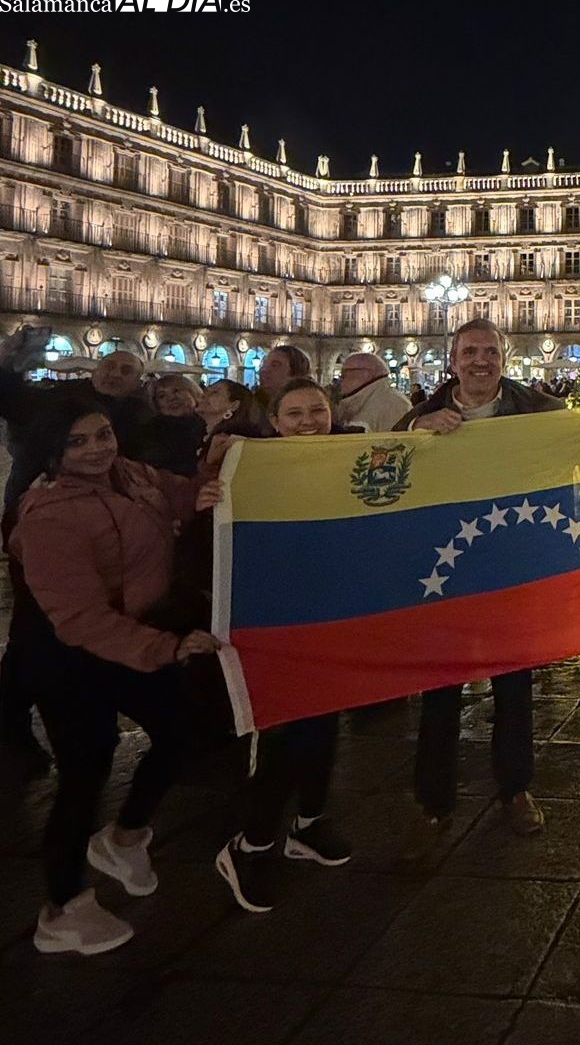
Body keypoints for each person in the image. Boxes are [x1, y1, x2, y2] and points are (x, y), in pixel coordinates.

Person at [9, 399, 221, 954]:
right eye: (78, 442)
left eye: (102, 434)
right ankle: (63, 907)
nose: (97, 448)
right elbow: (80, 618)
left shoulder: (130, 474)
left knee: (179, 731)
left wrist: (206, 489)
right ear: (52, 451)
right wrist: (167, 648)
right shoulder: (49, 515)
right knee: (86, 767)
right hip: (65, 655)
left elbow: (177, 490)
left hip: (132, 632)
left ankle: (124, 837)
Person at [395, 319, 564, 855]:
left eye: (490, 351)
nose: (480, 361)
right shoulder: (418, 418)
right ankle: (433, 797)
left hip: (510, 565)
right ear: (453, 359)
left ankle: (515, 788)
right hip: (446, 571)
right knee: (441, 689)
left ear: (505, 357)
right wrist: (414, 439)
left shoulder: (539, 413)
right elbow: (386, 470)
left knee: (515, 689)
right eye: (470, 351)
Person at [214, 379, 356, 913]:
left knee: (323, 727)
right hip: (273, 622)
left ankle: (309, 824)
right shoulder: (250, 464)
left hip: (332, 616)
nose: (307, 421)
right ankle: (250, 845)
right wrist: (209, 489)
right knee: (279, 734)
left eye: (317, 411)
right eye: (294, 413)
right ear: (274, 420)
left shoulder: (351, 454)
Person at [0, 341, 153, 777]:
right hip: (38, 528)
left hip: (103, 531)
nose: (116, 374)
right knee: (33, 629)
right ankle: (14, 726)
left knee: (61, 628)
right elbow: (7, 394)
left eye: (127, 370)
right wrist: (9, 361)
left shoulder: (137, 417)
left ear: (138, 382)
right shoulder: (55, 401)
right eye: (111, 365)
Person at [137, 375, 206, 477]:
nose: (171, 398)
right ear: (157, 405)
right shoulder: (151, 433)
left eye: (177, 391)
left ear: (193, 393)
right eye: (162, 396)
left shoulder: (211, 423)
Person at [334, 352, 412, 433]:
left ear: (365, 374)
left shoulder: (394, 404)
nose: (340, 381)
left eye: (344, 374)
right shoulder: (359, 402)